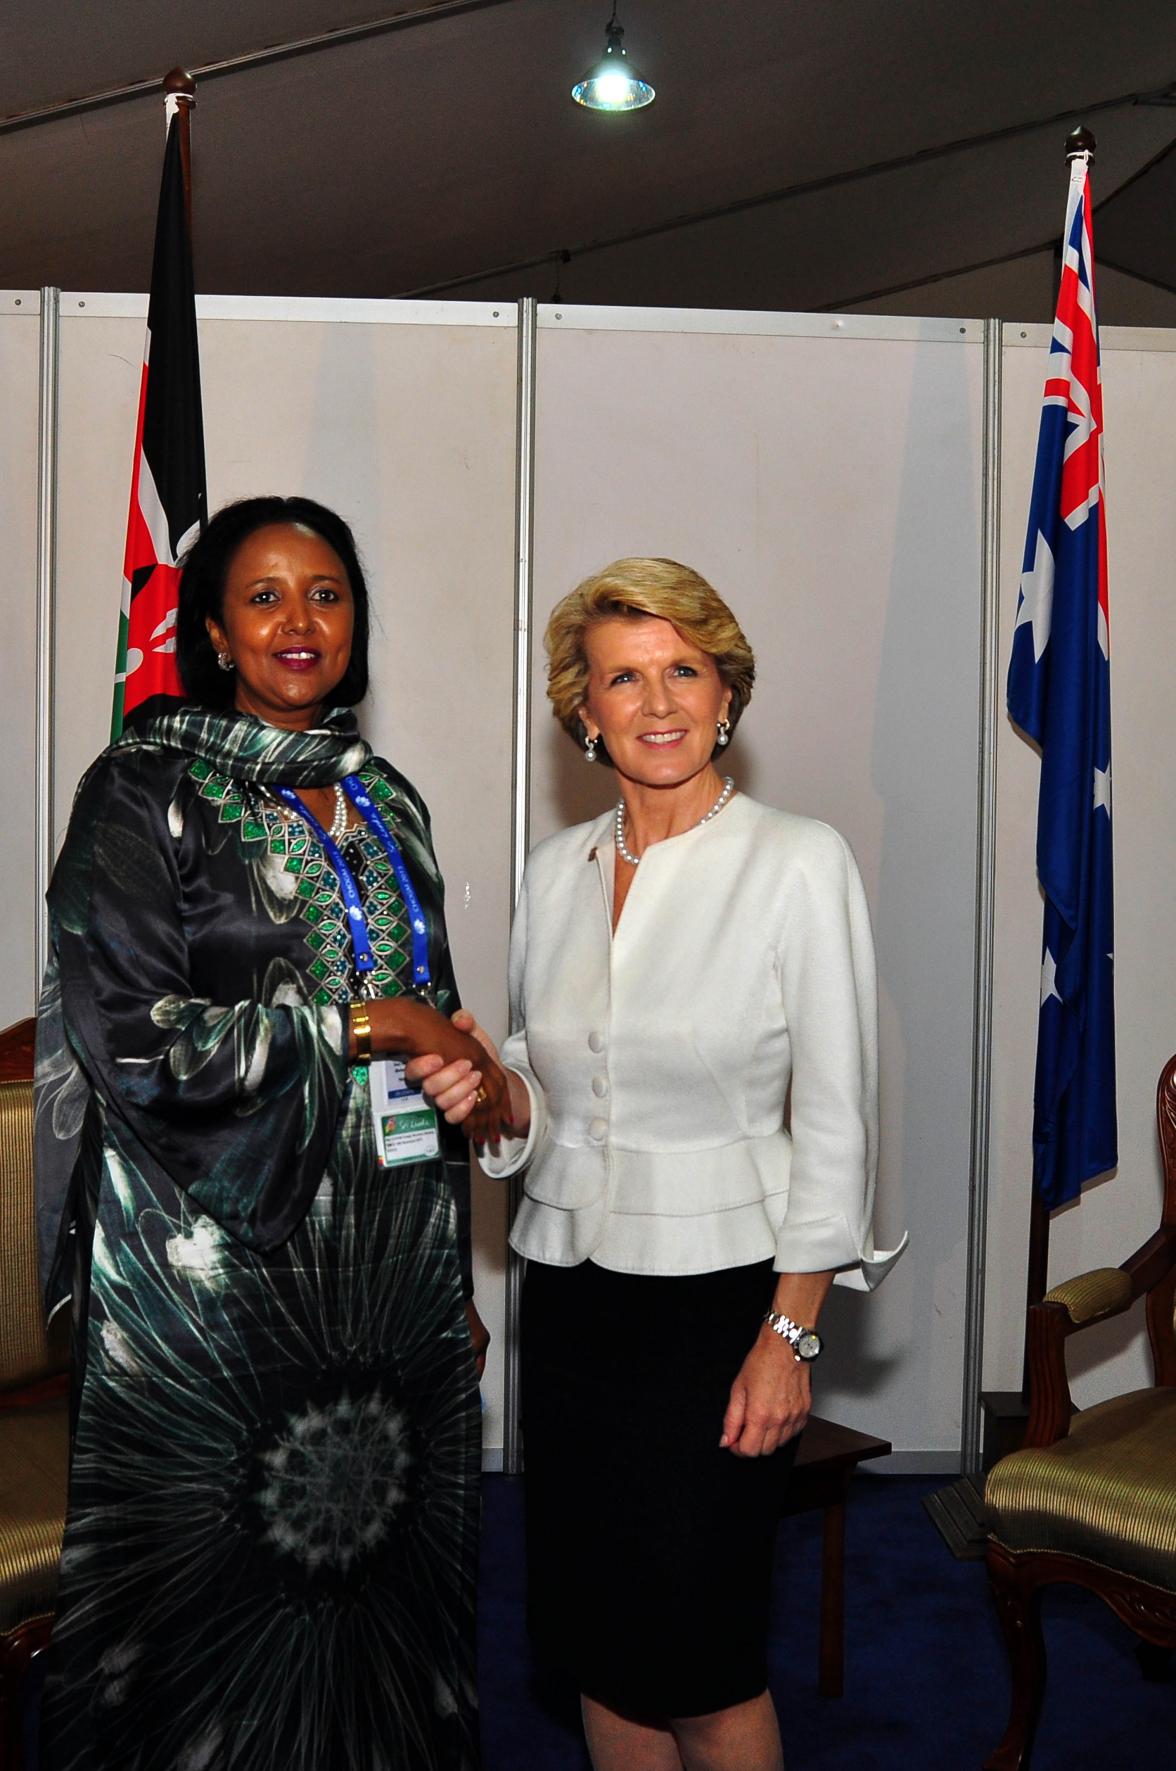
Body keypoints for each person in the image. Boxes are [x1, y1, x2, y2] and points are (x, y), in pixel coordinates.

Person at [34, 496, 510, 1771]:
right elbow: (131, 1031)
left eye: (328, 594)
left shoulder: (387, 800)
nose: (300, 622)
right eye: (265, 597)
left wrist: (445, 1265)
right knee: (210, 1602)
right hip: (209, 1286)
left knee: (380, 1589)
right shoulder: (140, 788)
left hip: (385, 1279)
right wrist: (365, 1023)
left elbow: (437, 1038)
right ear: (214, 631)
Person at [409, 558, 906, 1771]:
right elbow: (548, 1092)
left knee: (703, 1659)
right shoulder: (555, 874)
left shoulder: (798, 859)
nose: (659, 699)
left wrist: (790, 1337)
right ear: (583, 710)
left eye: (684, 667)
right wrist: (489, 1088)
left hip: (725, 1308)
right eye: (624, 676)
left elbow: (840, 1116)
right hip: (574, 1306)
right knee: (599, 1648)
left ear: (726, 692)